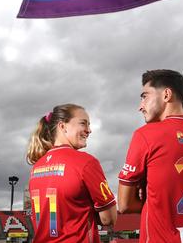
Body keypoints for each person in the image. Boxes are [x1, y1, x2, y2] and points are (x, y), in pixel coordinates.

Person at [118, 70, 183, 242]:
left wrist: (151, 198)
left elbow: (124, 204)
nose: (140, 105)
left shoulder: (146, 135)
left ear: (166, 94)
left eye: (144, 96)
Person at [27, 103, 117, 242]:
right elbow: (108, 218)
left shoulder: (36, 167)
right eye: (83, 123)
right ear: (63, 126)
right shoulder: (86, 162)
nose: (89, 130)